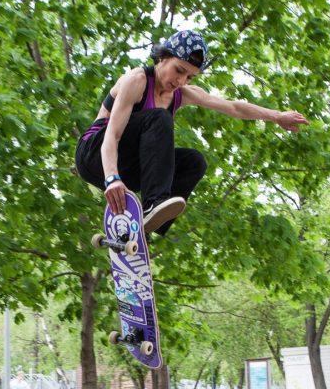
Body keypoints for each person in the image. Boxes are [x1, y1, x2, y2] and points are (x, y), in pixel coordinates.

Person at [75, 29, 309, 235]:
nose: (181, 81)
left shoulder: (182, 92)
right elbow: (112, 136)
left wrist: (276, 116)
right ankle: (154, 203)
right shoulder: (137, 80)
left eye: (189, 76)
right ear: (163, 57)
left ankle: (149, 224)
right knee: (159, 118)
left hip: (127, 166)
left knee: (194, 162)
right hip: (94, 156)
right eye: (179, 70)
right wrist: (112, 178)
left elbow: (233, 107)